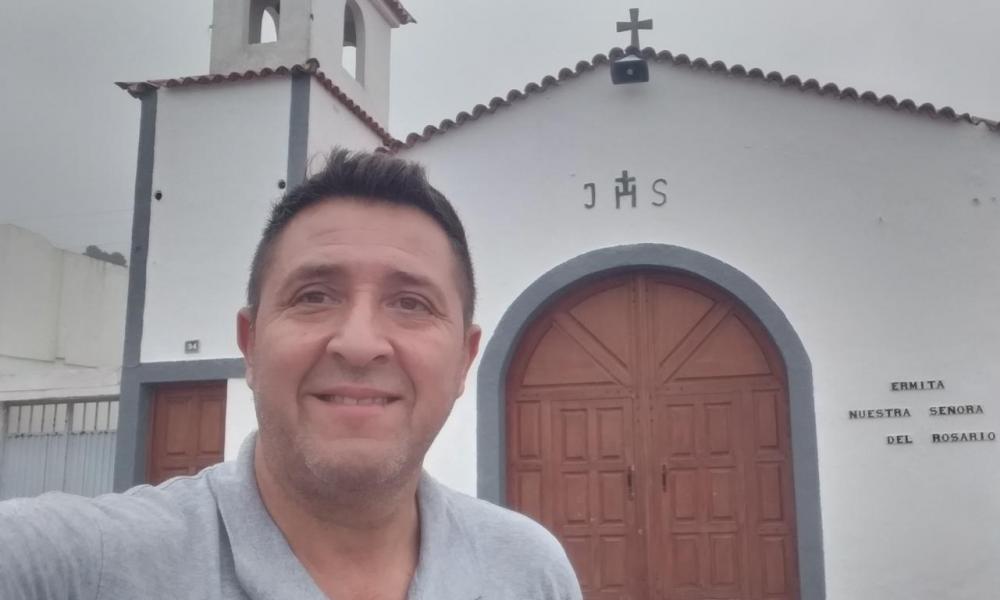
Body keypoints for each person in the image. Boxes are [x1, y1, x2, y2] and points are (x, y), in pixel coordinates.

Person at [0, 149, 583, 600]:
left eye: (411, 303)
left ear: (464, 360)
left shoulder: (529, 572)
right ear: (250, 345)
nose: (359, 344)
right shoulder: (86, 567)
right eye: (313, 296)